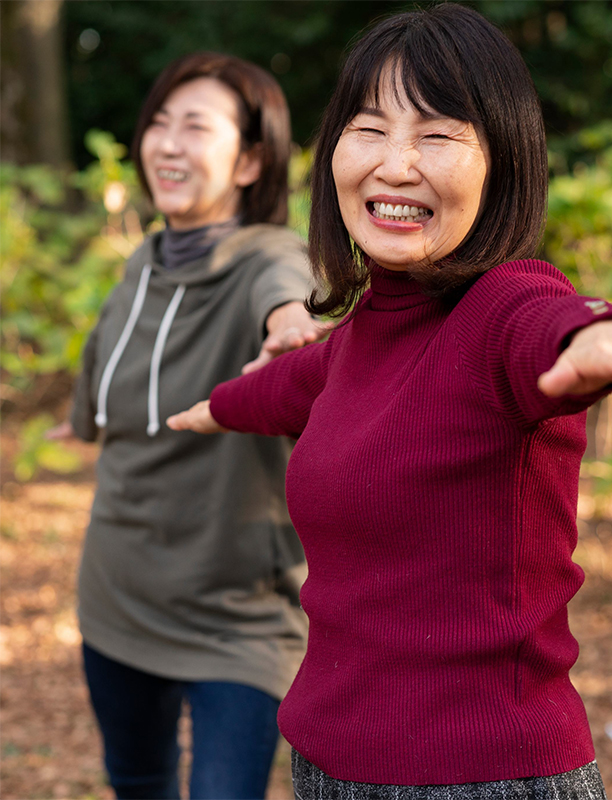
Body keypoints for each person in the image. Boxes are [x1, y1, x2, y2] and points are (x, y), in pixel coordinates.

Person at [169, 7, 612, 799]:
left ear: (503, 163)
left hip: (478, 776)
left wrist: (600, 339)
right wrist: (215, 408)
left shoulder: (502, 307)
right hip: (328, 764)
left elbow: (553, 322)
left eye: (437, 135)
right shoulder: (367, 330)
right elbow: (296, 384)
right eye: (369, 129)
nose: (395, 165)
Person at [58, 52, 328, 800]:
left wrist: (290, 324)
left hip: (238, 617)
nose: (168, 144)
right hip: (117, 594)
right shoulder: (139, 265)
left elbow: (286, 288)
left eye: (195, 128)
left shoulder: (267, 257)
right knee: (137, 782)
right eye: (159, 124)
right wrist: (78, 421)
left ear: (247, 161)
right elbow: (108, 367)